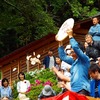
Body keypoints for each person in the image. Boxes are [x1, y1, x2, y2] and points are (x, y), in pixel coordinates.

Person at [55, 29, 90, 96]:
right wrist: (60, 42)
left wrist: (70, 36)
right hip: (74, 90)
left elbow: (75, 47)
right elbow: (62, 56)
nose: (71, 52)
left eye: (72, 51)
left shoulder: (84, 59)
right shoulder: (73, 61)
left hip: (82, 89)